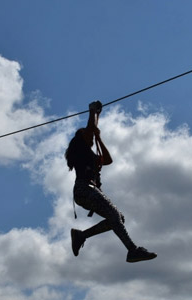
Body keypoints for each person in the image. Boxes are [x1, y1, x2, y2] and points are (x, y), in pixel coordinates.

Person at [65, 100, 157, 263]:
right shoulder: (81, 149)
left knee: (117, 218)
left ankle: (81, 235)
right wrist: (93, 112)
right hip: (84, 189)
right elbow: (90, 129)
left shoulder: (90, 156)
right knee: (114, 215)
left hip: (87, 191)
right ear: (82, 139)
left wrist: (99, 137)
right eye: (90, 138)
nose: (92, 140)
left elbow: (108, 160)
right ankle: (132, 250)